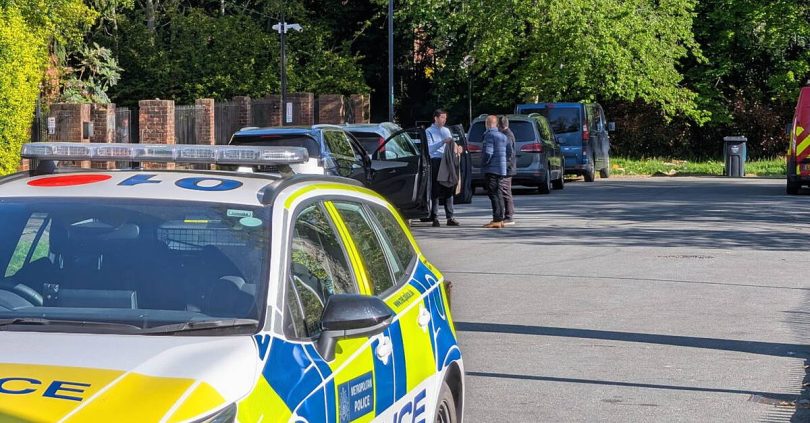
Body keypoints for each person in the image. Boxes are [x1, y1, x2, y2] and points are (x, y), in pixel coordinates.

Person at [422, 109, 460, 227]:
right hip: (436, 161)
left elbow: (452, 144)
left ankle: (450, 217)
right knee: (436, 189)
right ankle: (435, 217)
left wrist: (457, 148)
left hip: (447, 160)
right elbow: (429, 149)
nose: (444, 120)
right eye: (442, 117)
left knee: (449, 187)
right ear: (436, 118)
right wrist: (442, 142)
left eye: (445, 118)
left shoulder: (446, 130)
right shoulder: (429, 131)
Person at [481, 115, 510, 228]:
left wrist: (484, 163)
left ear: (487, 124)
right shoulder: (503, 136)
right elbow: (509, 151)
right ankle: (500, 219)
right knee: (498, 193)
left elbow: (488, 152)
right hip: (501, 169)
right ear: (496, 124)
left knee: (493, 194)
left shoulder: (489, 135)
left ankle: (497, 219)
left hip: (491, 168)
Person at [498, 116, 516, 225]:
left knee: (505, 191)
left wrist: (504, 166)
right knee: (505, 191)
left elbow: (509, 153)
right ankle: (508, 215)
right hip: (508, 167)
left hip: (507, 168)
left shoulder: (507, 135)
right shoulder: (507, 134)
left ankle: (509, 216)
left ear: (500, 125)